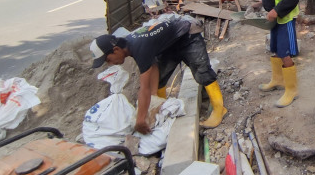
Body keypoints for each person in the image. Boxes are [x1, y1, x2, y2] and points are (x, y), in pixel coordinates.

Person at [90, 17, 227, 134]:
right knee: (161, 78)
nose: (110, 64)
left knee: (202, 73)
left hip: (187, 35)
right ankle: (162, 111)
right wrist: (154, 98)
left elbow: (144, 89)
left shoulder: (138, 47)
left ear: (116, 50)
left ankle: (219, 109)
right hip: (170, 44)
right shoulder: (132, 44)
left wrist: (140, 119)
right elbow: (153, 66)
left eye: (108, 60)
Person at [255, 0, 301, 108]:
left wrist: (277, 10)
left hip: (284, 17)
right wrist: (261, 3)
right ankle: (277, 80)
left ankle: (291, 89)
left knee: (285, 52)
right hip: (274, 16)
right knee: (274, 49)